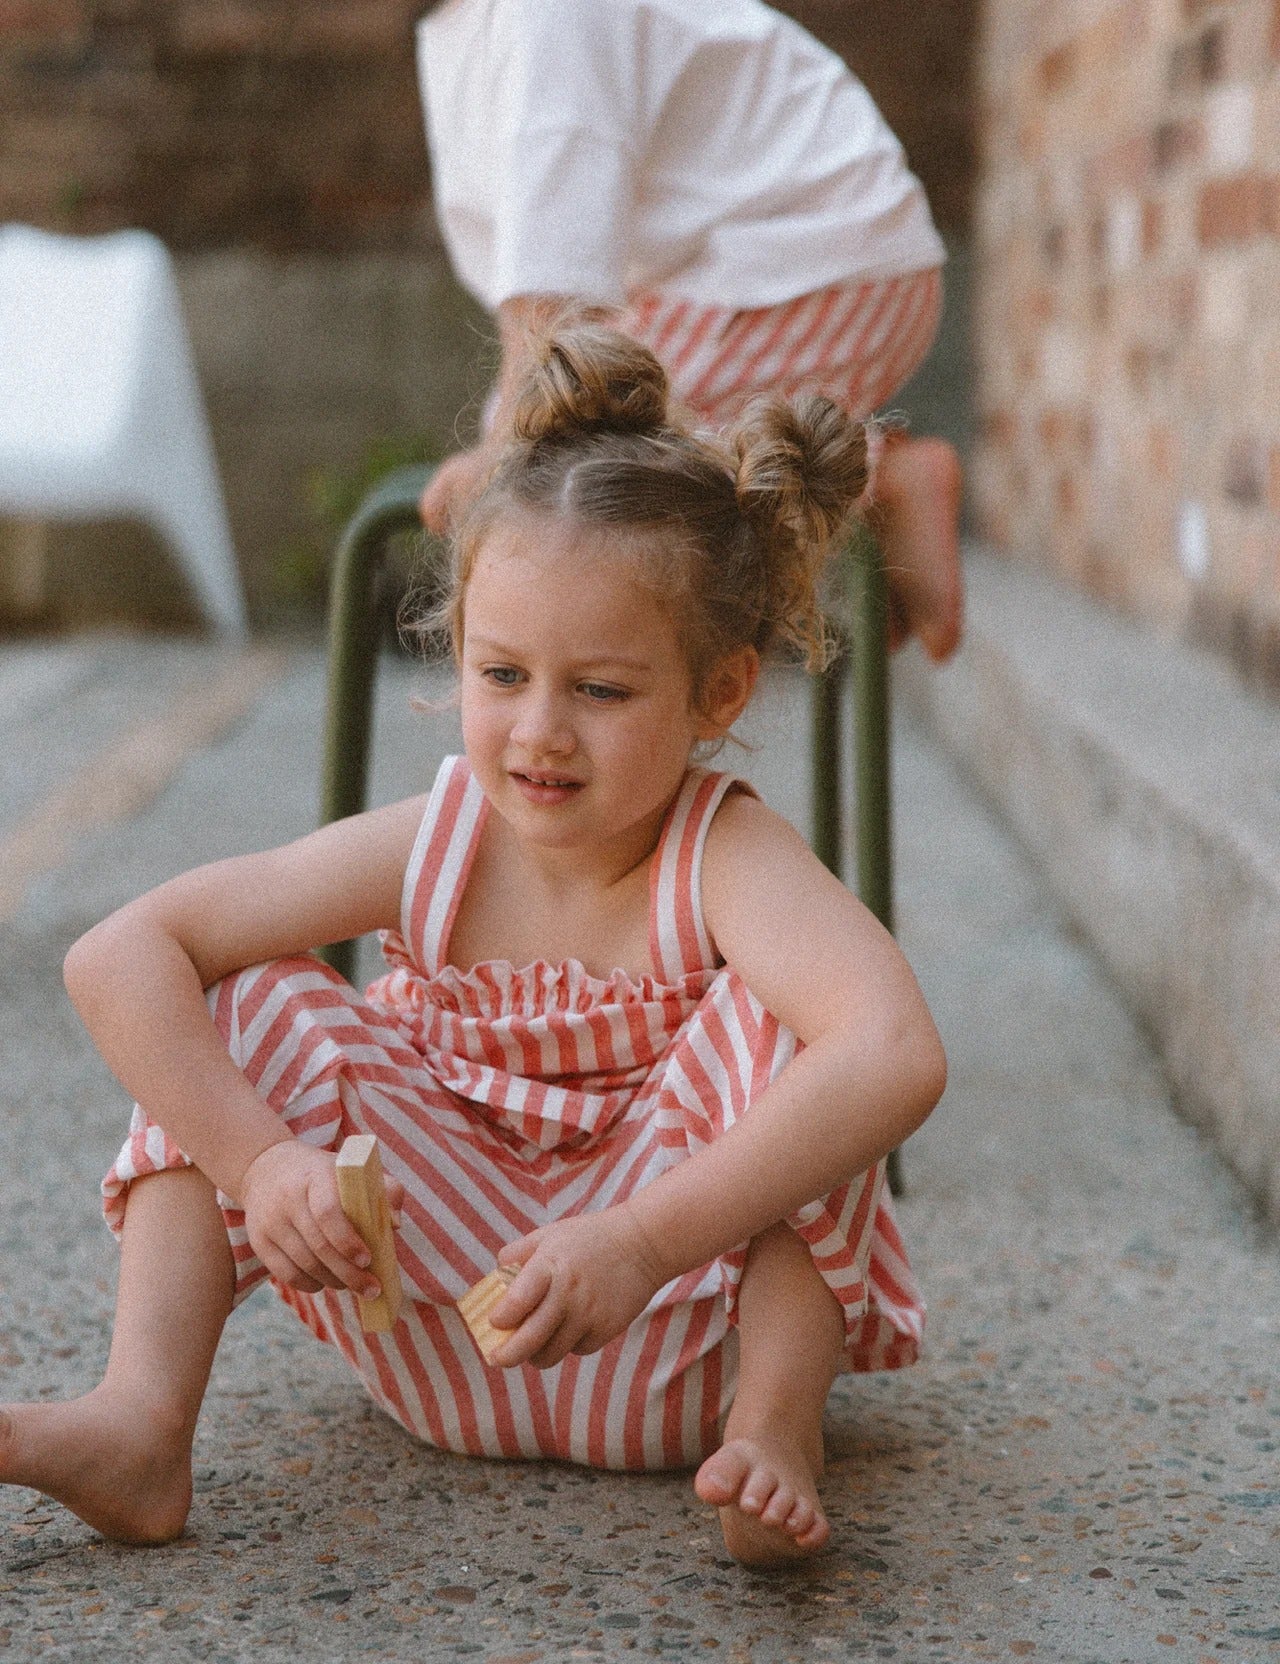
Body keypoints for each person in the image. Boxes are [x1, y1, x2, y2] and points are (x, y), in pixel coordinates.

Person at [0, 323, 945, 1569]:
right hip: (435, 1326)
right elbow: (119, 953)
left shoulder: (718, 855)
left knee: (800, 1035)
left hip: (663, 1351)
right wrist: (267, 1161)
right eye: (502, 674)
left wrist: (640, 1240)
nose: (540, 733)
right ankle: (138, 1420)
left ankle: (778, 1432)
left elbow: (895, 1050)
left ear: (717, 693)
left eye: (600, 690)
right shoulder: (443, 838)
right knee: (250, 997)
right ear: (458, 654)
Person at [416, 0, 964, 661]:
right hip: (759, 273)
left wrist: (507, 448)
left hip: (827, 267)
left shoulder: (550, 13)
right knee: (562, 436)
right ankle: (858, 488)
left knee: (599, 432)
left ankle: (885, 479)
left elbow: (553, 271)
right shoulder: (457, 28)